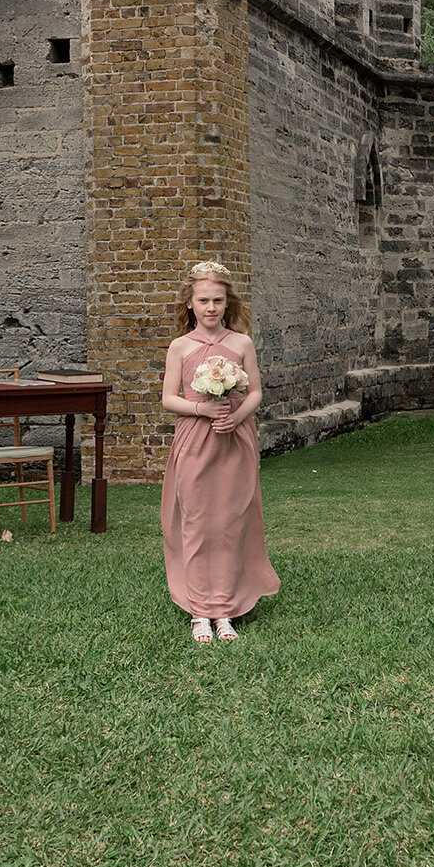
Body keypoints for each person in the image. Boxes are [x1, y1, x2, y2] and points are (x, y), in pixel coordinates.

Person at [160, 260, 279, 643]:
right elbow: (168, 398)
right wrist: (203, 409)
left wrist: (235, 416)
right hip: (195, 439)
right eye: (203, 300)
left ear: (228, 303)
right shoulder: (180, 347)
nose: (211, 308)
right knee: (196, 524)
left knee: (230, 523)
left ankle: (224, 610)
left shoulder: (241, 343)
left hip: (235, 440)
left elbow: (255, 392)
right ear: (190, 304)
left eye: (218, 301)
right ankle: (199, 611)